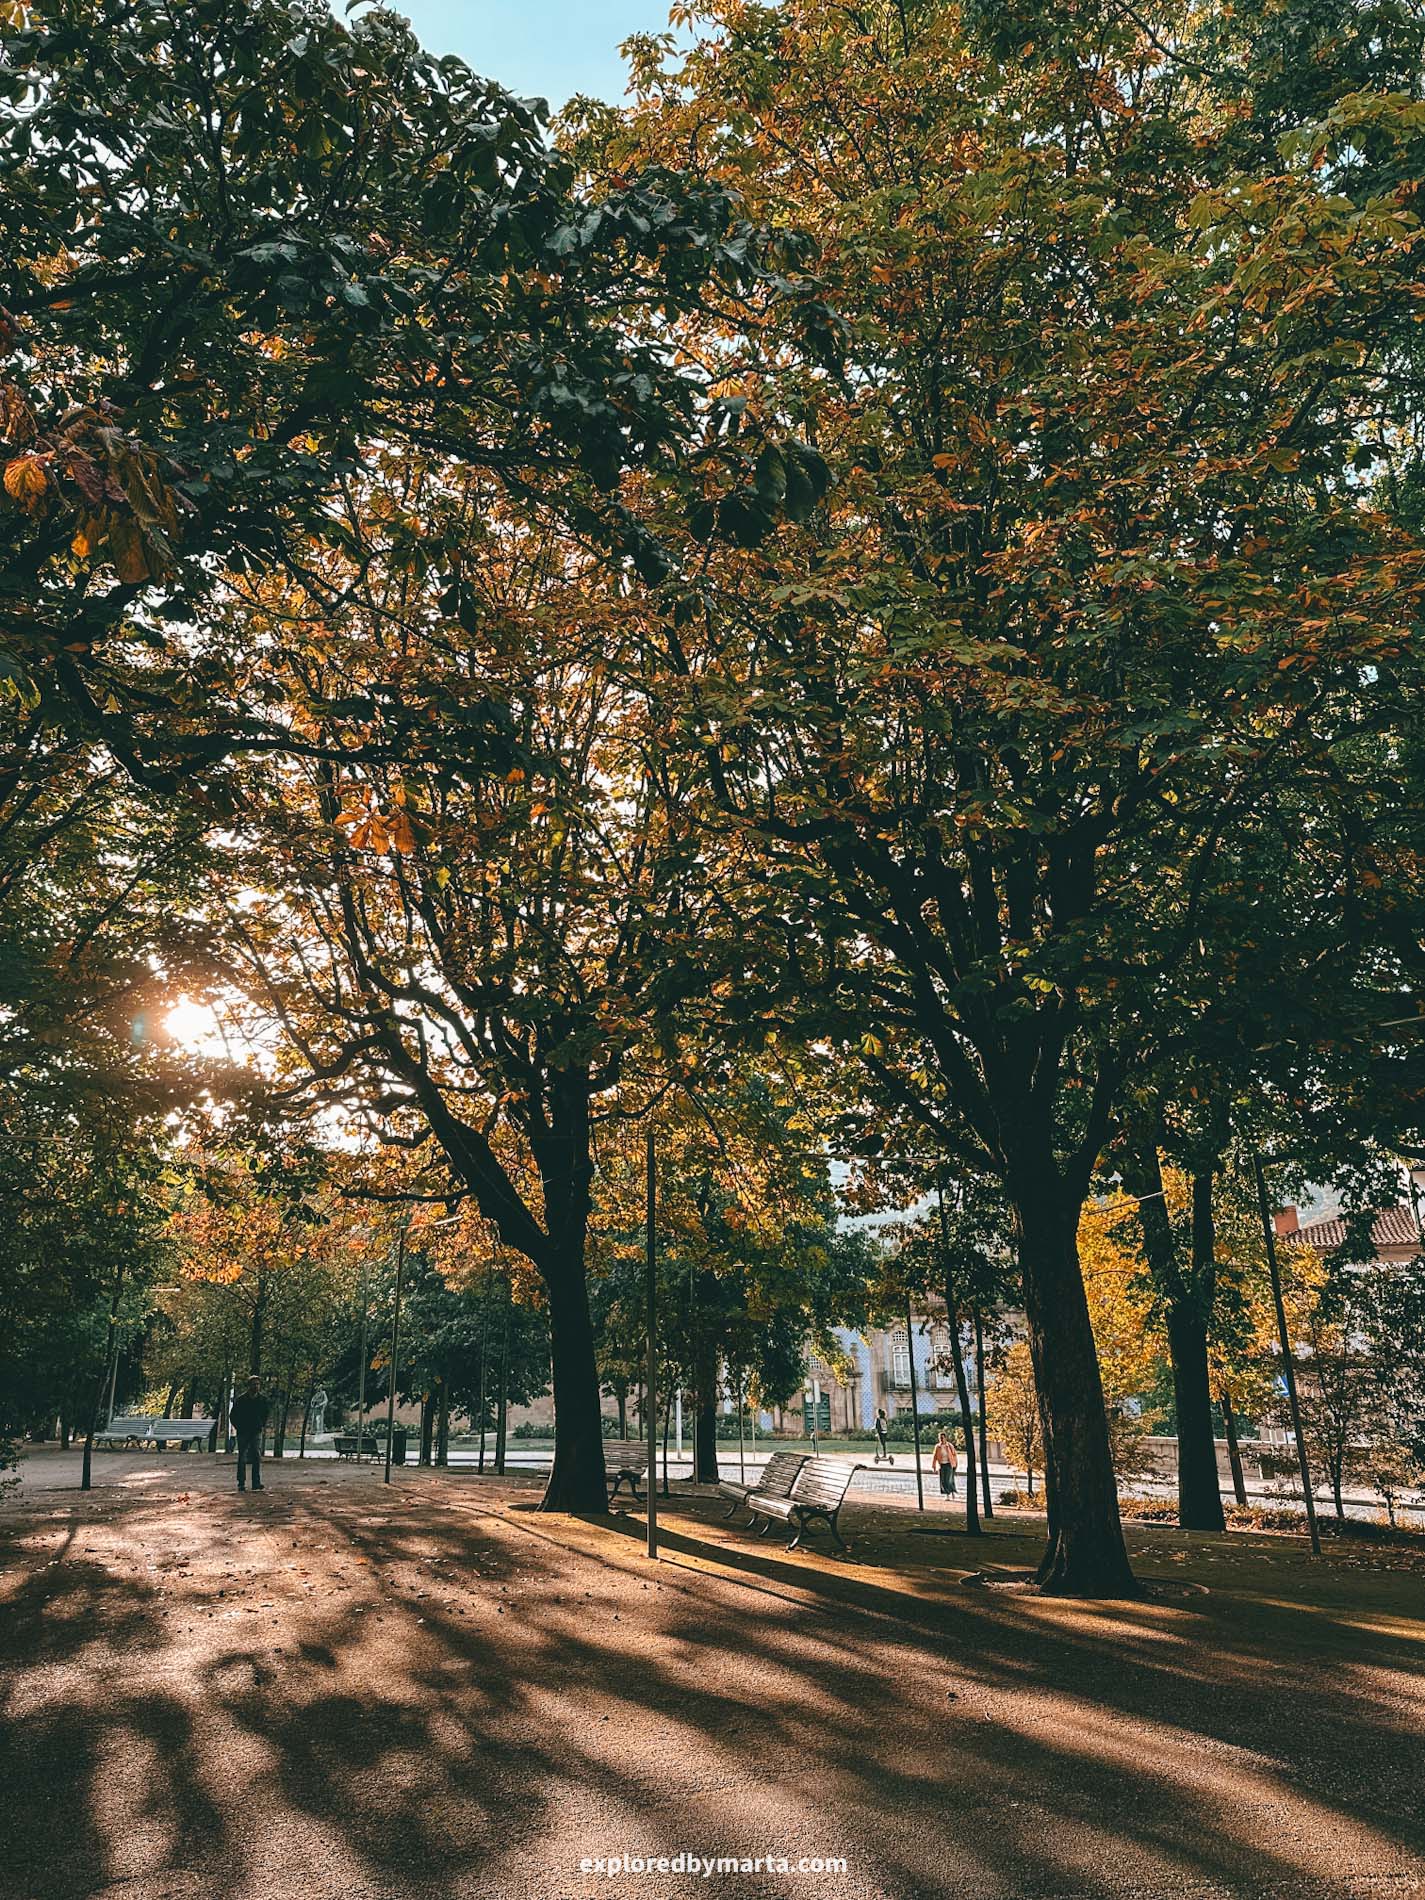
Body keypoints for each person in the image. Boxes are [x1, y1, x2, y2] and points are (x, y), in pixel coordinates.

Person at [230, 1376, 269, 1493]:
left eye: (258, 1384)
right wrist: (239, 1427)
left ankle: (256, 1483)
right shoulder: (241, 1400)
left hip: (256, 1431)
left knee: (256, 1456)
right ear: (249, 1386)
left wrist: (261, 1424)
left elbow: (265, 1413)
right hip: (243, 1431)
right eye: (254, 1384)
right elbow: (233, 1415)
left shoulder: (262, 1400)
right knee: (242, 1456)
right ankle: (241, 1482)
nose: (256, 1386)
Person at [932, 1427, 958, 1499]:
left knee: (948, 1480)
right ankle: (948, 1493)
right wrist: (934, 1466)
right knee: (943, 1481)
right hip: (942, 1465)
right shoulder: (938, 1447)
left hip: (949, 1464)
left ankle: (950, 1493)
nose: (941, 1439)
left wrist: (955, 1465)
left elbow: (954, 1455)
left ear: (945, 1438)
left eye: (942, 1438)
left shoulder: (949, 1446)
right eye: (940, 1438)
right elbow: (935, 1457)